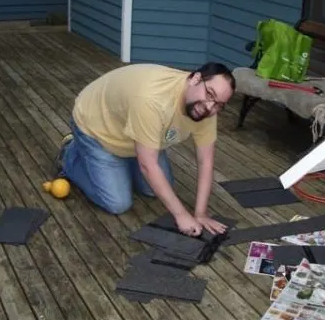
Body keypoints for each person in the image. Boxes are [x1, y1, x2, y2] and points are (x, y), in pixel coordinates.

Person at [55, 61, 236, 237]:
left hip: (139, 133)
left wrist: (201, 214)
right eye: (210, 94)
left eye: (219, 104)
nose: (210, 107)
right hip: (98, 127)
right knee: (118, 203)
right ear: (196, 79)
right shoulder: (153, 99)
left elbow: (206, 162)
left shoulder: (206, 110)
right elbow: (148, 166)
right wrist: (181, 216)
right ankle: (69, 154)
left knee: (152, 190)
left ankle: (130, 157)